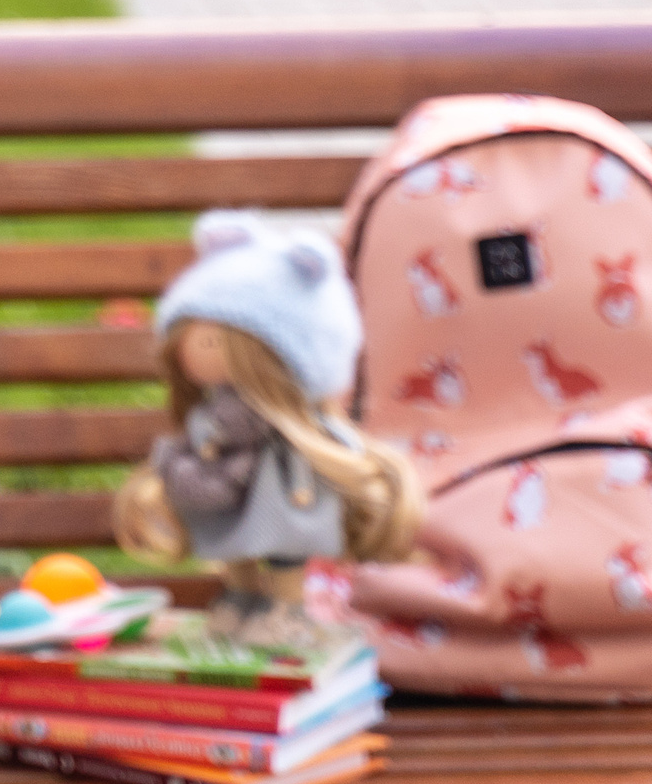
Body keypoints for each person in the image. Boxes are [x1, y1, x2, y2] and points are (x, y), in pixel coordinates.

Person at [113, 212, 424, 640]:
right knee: (231, 544)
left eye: (216, 339)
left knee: (284, 551)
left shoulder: (295, 439)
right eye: (191, 335)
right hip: (221, 489)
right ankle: (242, 597)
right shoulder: (211, 419)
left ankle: (288, 607)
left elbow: (340, 453)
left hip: (284, 495)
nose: (195, 348)